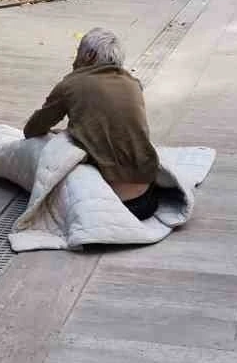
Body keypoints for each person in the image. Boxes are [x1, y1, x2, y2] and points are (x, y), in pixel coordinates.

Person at [23, 27, 162, 219]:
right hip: (147, 200)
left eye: (77, 52)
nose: (74, 60)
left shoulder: (71, 84)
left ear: (89, 55)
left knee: (62, 146)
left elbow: (32, 129)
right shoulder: (133, 83)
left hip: (108, 201)